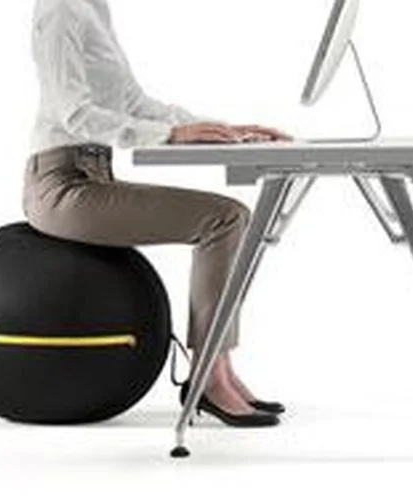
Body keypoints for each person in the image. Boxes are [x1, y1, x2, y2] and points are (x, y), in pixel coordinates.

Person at [23, 0, 292, 427]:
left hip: (94, 175)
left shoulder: (92, 7)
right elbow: (73, 113)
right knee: (223, 219)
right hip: (62, 186)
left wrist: (223, 130)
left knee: (232, 217)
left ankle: (218, 370)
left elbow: (132, 102)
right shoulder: (60, 9)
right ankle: (209, 376)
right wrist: (170, 134)